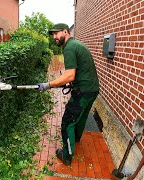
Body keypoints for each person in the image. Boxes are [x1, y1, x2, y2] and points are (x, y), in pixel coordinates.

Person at [37, 23, 99, 166]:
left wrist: (48, 85)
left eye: (56, 33)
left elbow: (70, 75)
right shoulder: (76, 44)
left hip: (83, 92)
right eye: (53, 35)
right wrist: (71, 82)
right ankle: (75, 139)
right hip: (92, 90)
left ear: (65, 31)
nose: (54, 37)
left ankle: (67, 156)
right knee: (81, 117)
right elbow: (78, 72)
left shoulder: (69, 47)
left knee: (67, 122)